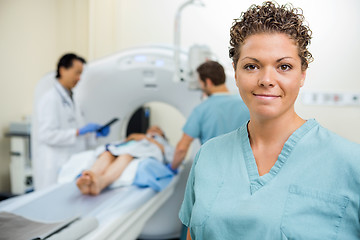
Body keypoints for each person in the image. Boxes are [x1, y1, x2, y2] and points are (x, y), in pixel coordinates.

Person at [179, 1, 360, 239]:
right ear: (235, 72)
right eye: (252, 66)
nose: (266, 79)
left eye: (284, 66)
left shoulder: (349, 162)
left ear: (302, 74)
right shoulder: (208, 156)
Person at [33, 53, 110, 191]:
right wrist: (78, 132)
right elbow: (46, 135)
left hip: (71, 162)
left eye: (81, 74)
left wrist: (94, 135)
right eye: (77, 73)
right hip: (54, 164)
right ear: (62, 70)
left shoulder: (73, 99)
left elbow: (76, 131)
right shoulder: (50, 99)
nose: (79, 78)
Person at [170, 60, 250, 171]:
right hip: (242, 169)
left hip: (213, 170)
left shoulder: (201, 109)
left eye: (201, 83)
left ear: (208, 82)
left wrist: (172, 169)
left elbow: (181, 149)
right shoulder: (246, 104)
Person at [76, 126, 175, 195]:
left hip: (138, 150)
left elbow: (170, 157)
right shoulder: (138, 136)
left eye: (157, 129)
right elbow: (123, 143)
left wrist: (148, 139)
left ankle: (102, 181)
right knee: (107, 153)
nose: (153, 129)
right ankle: (89, 177)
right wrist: (132, 138)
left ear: (163, 135)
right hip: (124, 147)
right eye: (151, 128)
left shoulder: (163, 142)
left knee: (126, 155)